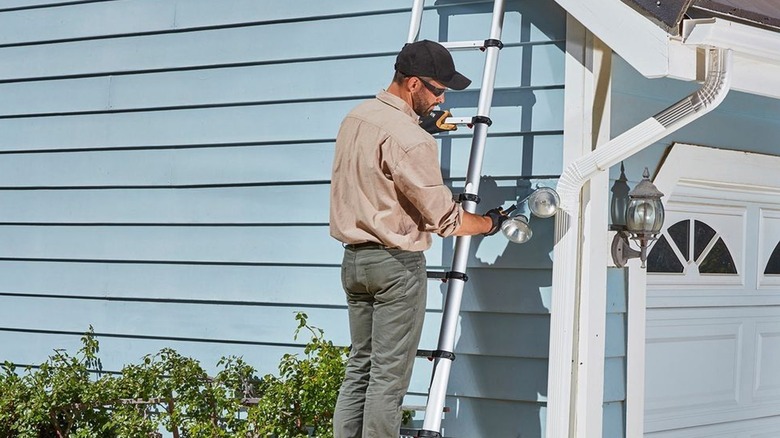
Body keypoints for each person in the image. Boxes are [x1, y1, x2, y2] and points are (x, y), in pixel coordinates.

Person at [329, 39, 507, 438]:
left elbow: (378, 170)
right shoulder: (412, 141)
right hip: (395, 266)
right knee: (388, 378)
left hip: (354, 262)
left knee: (360, 365)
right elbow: (445, 219)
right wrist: (489, 223)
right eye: (438, 90)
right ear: (412, 84)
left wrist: (419, 125)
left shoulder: (356, 119)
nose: (442, 98)